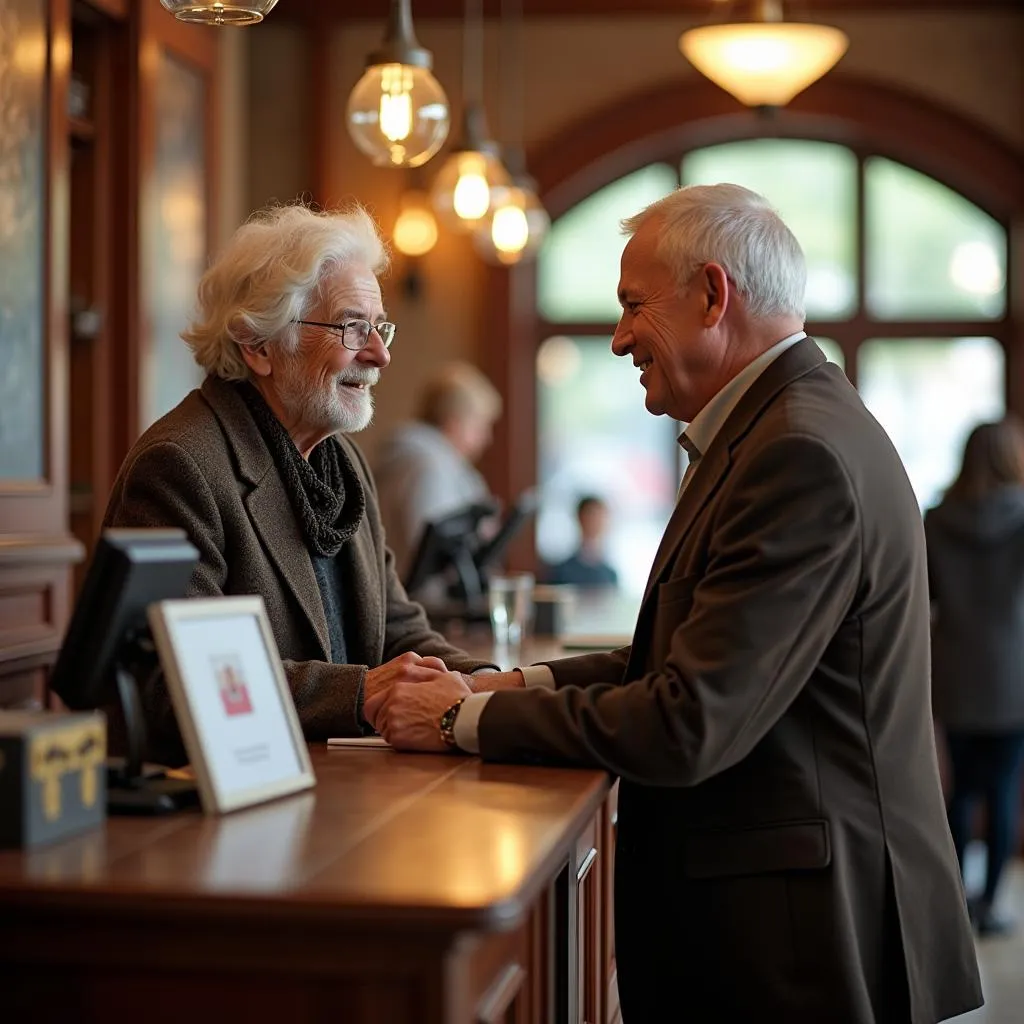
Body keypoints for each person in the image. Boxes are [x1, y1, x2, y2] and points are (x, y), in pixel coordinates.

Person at [367, 184, 983, 1022]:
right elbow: (691, 649)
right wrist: (505, 688)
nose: (619, 338)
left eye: (631, 306)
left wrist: (454, 723)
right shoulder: (779, 428)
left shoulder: (795, 452)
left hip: (799, 938)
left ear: (713, 296)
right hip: (791, 915)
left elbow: (690, 721)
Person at [102, 202, 496, 767]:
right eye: (352, 327)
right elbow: (176, 681)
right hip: (216, 811)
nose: (379, 354)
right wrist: (364, 693)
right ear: (257, 344)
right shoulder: (180, 464)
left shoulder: (342, 463)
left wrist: (490, 687)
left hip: (334, 785)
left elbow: (399, 630)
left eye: (380, 327)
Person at [926, 417, 1024, 938]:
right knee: (1003, 789)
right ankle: (993, 905)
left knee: (960, 790)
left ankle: (959, 898)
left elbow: (927, 597)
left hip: (957, 671)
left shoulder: (937, 520)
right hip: (1014, 672)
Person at [372, 360, 502, 584]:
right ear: (455, 422)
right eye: (480, 426)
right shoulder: (426, 467)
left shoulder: (427, 461)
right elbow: (433, 554)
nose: (486, 438)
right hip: (419, 607)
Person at [544, 495, 618, 588]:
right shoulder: (562, 572)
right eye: (591, 515)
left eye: (600, 517)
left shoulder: (610, 575)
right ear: (580, 518)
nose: (595, 522)